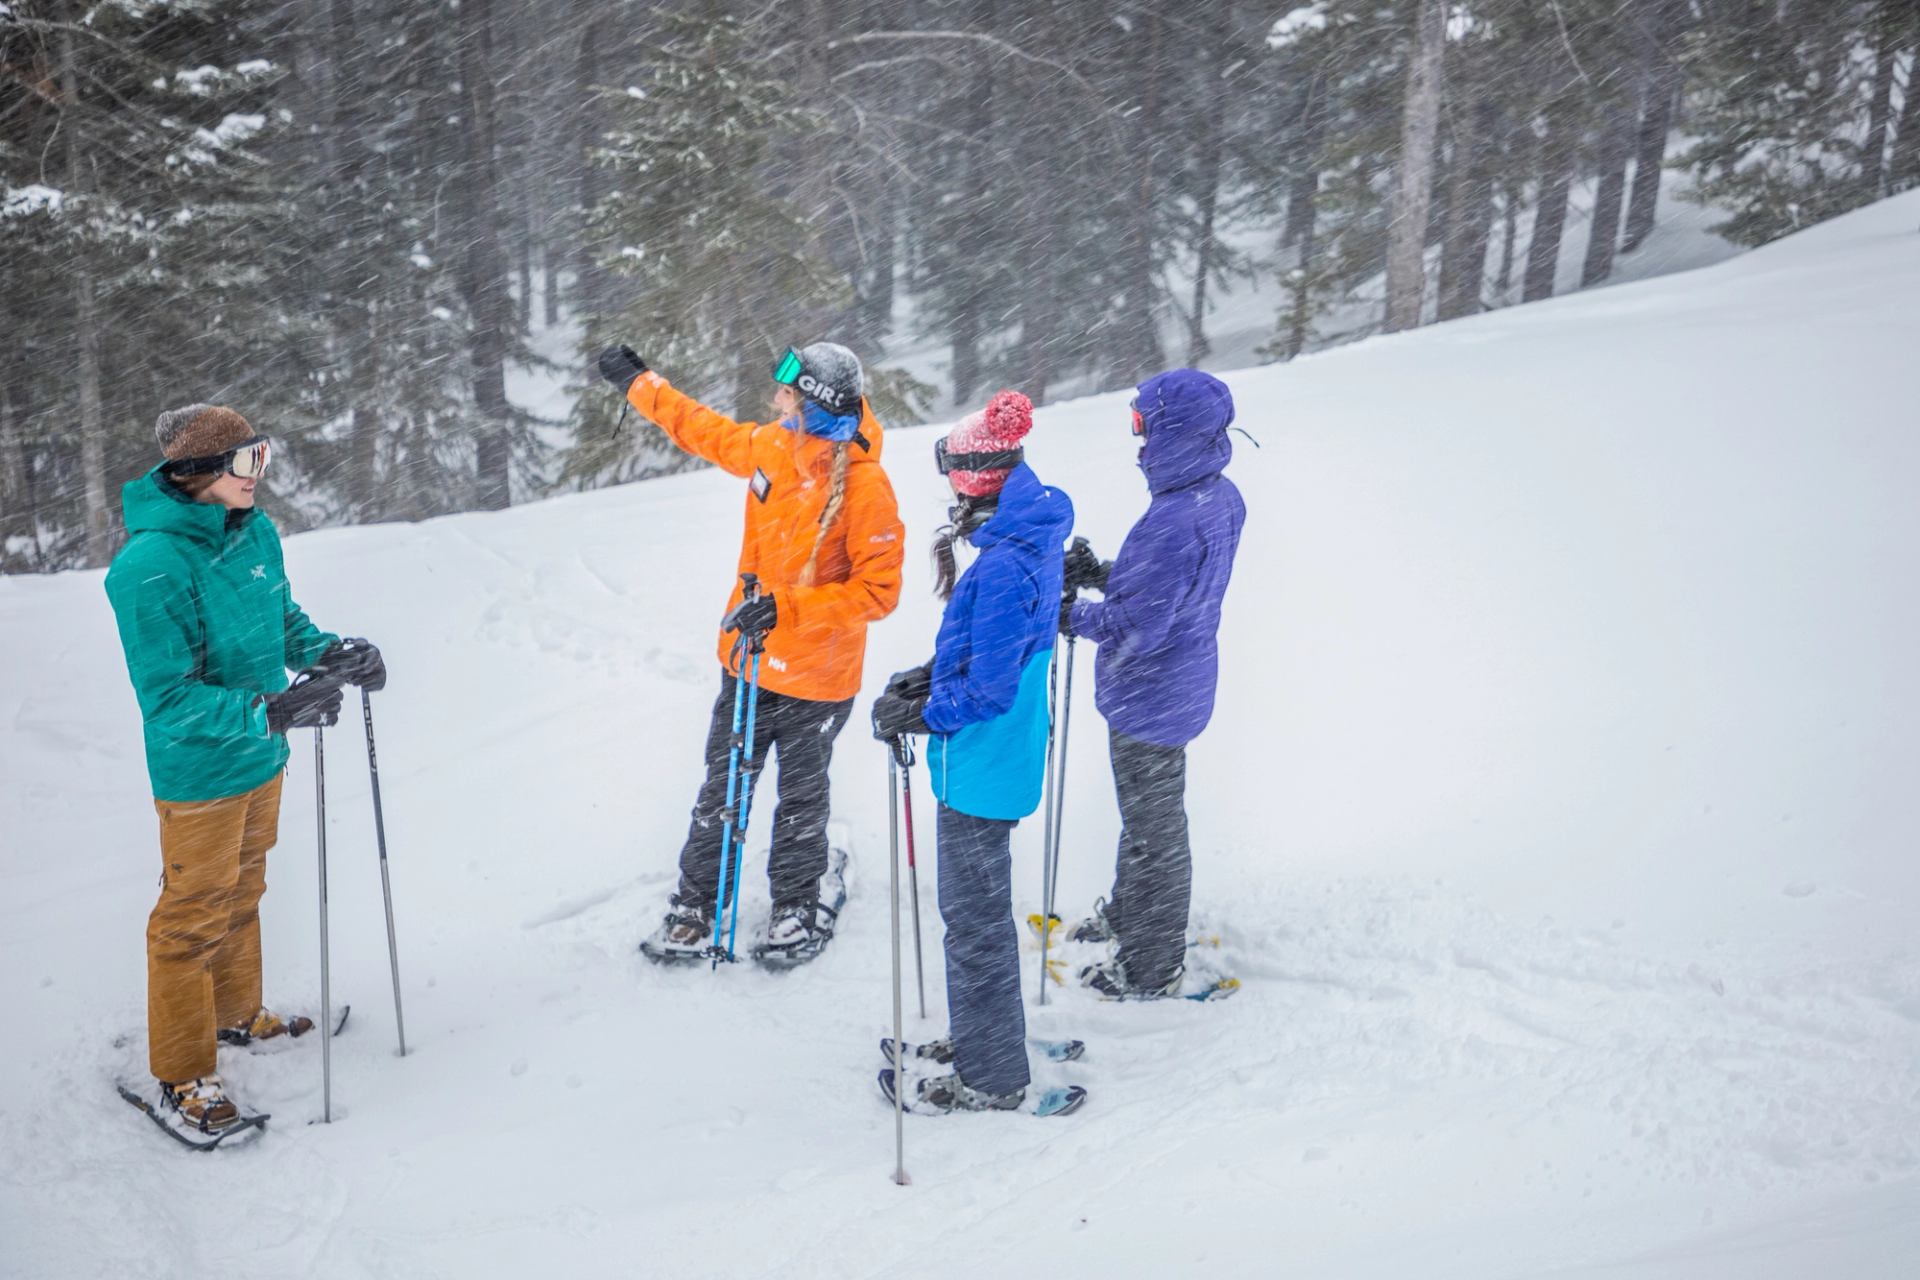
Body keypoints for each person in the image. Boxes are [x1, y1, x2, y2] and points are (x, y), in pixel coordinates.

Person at [105, 405, 387, 1133]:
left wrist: (329, 653)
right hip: (200, 774)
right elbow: (166, 699)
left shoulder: (254, 532)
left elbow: (280, 619)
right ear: (197, 472)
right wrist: (270, 710)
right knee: (189, 919)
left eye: (261, 456)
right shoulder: (148, 567)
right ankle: (180, 1071)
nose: (259, 475)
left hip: (262, 754)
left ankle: (236, 1015)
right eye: (245, 462)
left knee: (244, 887)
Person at [596, 342, 904, 963]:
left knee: (800, 798)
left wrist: (789, 608)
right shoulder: (772, 445)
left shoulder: (865, 487)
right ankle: (696, 904)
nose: (775, 399)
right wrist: (640, 384)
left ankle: (794, 905)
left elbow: (880, 591)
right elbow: (703, 430)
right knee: (722, 788)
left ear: (814, 404)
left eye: (787, 392)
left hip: (817, 677)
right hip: (750, 663)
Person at [870, 390, 1074, 1112]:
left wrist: (921, 712)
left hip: (983, 767)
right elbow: (995, 658)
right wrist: (926, 680)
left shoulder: (1001, 568)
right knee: (979, 915)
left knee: (975, 924)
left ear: (970, 481)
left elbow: (986, 689)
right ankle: (987, 1035)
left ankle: (991, 1077)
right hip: (1002, 756)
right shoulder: (1027, 537)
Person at [1059, 369, 1244, 999]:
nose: (1136, 440)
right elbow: (1170, 592)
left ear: (1172, 432)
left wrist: (1070, 614)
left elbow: (1139, 626)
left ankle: (1151, 961)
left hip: (1151, 697)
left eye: (1142, 425)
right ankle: (1129, 915)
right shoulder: (1214, 496)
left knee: (1155, 827)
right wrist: (1103, 573)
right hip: (1179, 683)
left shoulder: (1174, 519)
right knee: (1146, 816)